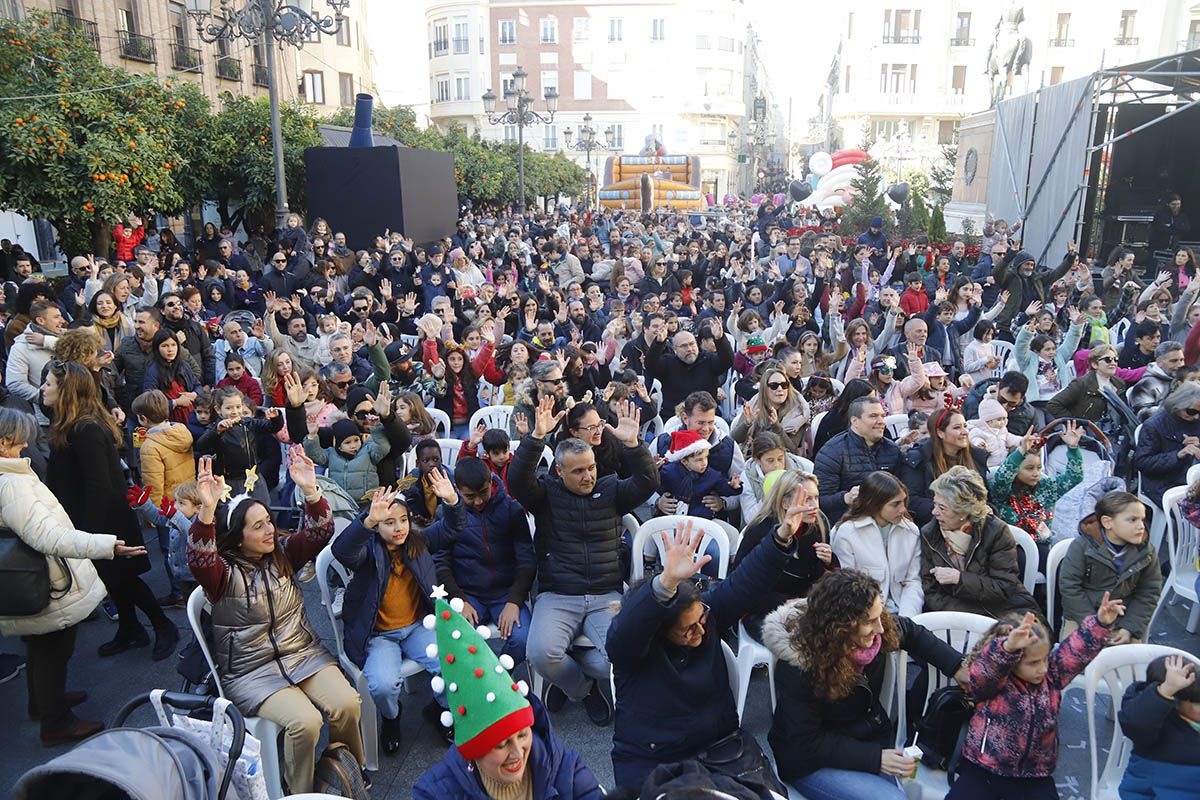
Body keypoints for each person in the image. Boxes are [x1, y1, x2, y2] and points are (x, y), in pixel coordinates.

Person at [187, 451, 364, 795]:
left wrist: (311, 491)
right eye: (258, 526)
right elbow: (199, 557)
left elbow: (320, 530)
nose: (269, 529)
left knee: (347, 703)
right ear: (237, 538)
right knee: (306, 722)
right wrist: (207, 510)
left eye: (268, 520)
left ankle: (347, 773)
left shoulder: (282, 554)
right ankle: (301, 791)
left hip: (302, 653)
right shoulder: (221, 573)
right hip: (251, 671)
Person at [606, 515, 801, 791]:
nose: (700, 631)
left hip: (721, 750)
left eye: (702, 620)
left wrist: (780, 538)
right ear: (659, 631)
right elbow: (623, 634)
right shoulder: (633, 649)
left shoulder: (707, 616)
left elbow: (745, 582)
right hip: (655, 761)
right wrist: (665, 583)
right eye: (687, 629)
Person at [0, 408, 146, 745]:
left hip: (32, 578)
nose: (25, 446)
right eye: (19, 439)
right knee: (53, 648)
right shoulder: (12, 484)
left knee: (40, 646)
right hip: (45, 580)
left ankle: (43, 703)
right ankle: (56, 722)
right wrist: (108, 546)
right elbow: (47, 536)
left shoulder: (12, 477)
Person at [508, 397, 657, 726]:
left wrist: (633, 446)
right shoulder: (545, 493)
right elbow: (517, 482)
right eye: (578, 471)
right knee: (540, 655)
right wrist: (534, 440)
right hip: (559, 594)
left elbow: (648, 483)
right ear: (559, 471)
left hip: (605, 595)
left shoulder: (611, 489)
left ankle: (570, 671)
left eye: (590, 467)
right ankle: (582, 689)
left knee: (618, 660)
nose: (588, 475)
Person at [764, 569, 969, 799]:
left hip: (864, 739)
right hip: (811, 762)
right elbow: (806, 744)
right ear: (840, 625)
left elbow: (911, 632)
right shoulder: (800, 666)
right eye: (870, 621)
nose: (880, 628)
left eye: (879, 616)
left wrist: (957, 666)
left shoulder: (872, 635)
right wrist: (876, 758)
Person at [43, 361, 176, 660]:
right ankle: (131, 629)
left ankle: (163, 625)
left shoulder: (86, 428)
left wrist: (91, 536)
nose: (43, 388)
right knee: (114, 579)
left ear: (66, 392)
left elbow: (98, 485)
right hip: (93, 521)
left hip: (103, 521)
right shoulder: (70, 423)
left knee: (125, 578)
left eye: (49, 384)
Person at [413, 599, 605, 800]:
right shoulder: (435, 793)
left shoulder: (563, 766)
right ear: (474, 752)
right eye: (501, 744)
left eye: (522, 735)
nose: (518, 754)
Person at [946, 595, 1128, 800]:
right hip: (985, 767)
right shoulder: (995, 682)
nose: (1042, 668)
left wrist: (1100, 623)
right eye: (1033, 663)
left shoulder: (1052, 676)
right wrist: (1007, 648)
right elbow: (983, 673)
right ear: (1013, 660)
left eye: (1044, 659)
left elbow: (1075, 651)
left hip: (1035, 773)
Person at [334, 479, 460, 755]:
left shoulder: (419, 541)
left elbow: (451, 529)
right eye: (389, 522)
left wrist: (451, 501)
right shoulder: (368, 552)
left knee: (451, 662)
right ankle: (392, 717)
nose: (399, 527)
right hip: (379, 635)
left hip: (417, 626)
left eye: (403, 520)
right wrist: (367, 522)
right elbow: (342, 551)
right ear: (377, 526)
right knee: (382, 685)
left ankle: (441, 710)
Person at [435, 456, 535, 665]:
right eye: (470, 496)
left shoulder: (511, 510)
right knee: (454, 640)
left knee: (522, 640)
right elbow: (441, 563)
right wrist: (458, 598)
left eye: (483, 493)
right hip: (468, 595)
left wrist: (514, 601)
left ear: (491, 482)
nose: (479, 501)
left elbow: (526, 559)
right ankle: (480, 686)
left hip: (505, 594)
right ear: (457, 489)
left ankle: (499, 684)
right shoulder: (445, 514)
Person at [919, 466, 1041, 618]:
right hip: (954, 614)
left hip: (1004, 610)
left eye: (942, 508)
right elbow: (931, 591)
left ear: (964, 512)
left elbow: (1004, 587)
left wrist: (960, 578)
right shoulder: (929, 534)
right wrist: (970, 619)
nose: (934, 512)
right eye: (935, 504)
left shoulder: (997, 531)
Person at [733, 469, 836, 640]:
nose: (815, 506)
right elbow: (739, 587)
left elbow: (814, 578)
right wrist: (785, 603)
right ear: (785, 503)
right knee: (810, 642)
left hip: (803, 607)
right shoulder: (760, 531)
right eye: (806, 499)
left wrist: (828, 561)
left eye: (816, 497)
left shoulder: (816, 527)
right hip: (761, 611)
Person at [1059, 488, 1161, 644]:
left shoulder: (1146, 551)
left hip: (1124, 619)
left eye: (1142, 519)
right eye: (1132, 520)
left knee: (1128, 664)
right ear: (1107, 522)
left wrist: (1129, 628)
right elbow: (1070, 587)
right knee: (1072, 660)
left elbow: (1149, 592)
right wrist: (1093, 623)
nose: (1141, 526)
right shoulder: (1082, 546)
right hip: (1083, 617)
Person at [990, 423, 1084, 572]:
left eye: (1039, 468)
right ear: (1015, 469)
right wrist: (1020, 451)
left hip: (1039, 545)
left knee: (1061, 569)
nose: (1036, 473)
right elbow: (1003, 477)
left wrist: (1073, 449)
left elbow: (1074, 477)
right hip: (1010, 546)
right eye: (1029, 468)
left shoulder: (1046, 486)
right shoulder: (1003, 490)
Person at [831, 471, 924, 618]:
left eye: (903, 502)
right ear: (874, 504)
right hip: (866, 616)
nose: (903, 509)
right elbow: (846, 588)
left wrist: (907, 619)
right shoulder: (847, 533)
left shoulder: (910, 531)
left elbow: (913, 581)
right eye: (895, 504)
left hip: (904, 614)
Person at [1116, 654, 1200, 800]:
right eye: (1198, 703)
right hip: (1152, 793)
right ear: (1174, 702)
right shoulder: (1157, 722)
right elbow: (1135, 724)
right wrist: (1166, 690)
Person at [813, 396, 902, 524]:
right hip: (848, 523)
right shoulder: (832, 452)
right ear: (855, 421)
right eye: (873, 416)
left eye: (883, 416)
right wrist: (845, 498)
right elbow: (820, 500)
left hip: (887, 521)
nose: (881, 421)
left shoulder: (892, 450)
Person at [901, 407, 989, 526]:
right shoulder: (919, 458)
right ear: (940, 433)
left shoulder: (976, 456)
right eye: (957, 427)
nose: (965, 432)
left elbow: (986, 496)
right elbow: (913, 500)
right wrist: (950, 512)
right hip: (935, 524)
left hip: (973, 522)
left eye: (965, 426)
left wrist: (986, 509)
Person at [1131, 383, 1200, 509]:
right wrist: (1178, 455)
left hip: (1192, 478)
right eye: (1192, 412)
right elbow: (1142, 462)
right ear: (1179, 405)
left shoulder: (1196, 419)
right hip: (1163, 482)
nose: (1196, 416)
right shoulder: (1154, 425)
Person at [646, 318, 734, 413]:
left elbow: (727, 361)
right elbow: (650, 365)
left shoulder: (708, 359)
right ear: (675, 350)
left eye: (692, 344)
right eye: (684, 346)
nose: (689, 349)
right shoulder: (668, 362)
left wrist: (720, 339)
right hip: (675, 416)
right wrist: (659, 344)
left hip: (707, 414)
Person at [656, 429, 741, 520]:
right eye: (699, 460)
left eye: (705, 457)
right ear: (684, 461)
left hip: (702, 518)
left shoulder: (711, 475)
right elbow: (657, 484)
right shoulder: (670, 471)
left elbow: (722, 486)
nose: (704, 463)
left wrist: (732, 486)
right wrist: (654, 471)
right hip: (673, 517)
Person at [731, 363, 811, 453]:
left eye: (784, 385)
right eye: (774, 386)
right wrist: (747, 424)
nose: (780, 389)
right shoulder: (754, 405)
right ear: (765, 389)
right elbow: (734, 439)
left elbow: (793, 449)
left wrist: (777, 427)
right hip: (753, 456)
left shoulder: (797, 410)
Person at [1045, 344, 1126, 423]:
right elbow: (1053, 405)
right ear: (1094, 364)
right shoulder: (1081, 383)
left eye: (1116, 359)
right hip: (1089, 433)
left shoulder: (1120, 384)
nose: (1113, 363)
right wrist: (1076, 425)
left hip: (1115, 432)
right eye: (1108, 359)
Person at [1129, 341, 1185, 421]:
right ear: (1159, 362)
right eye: (1173, 361)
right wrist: (1174, 407)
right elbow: (1141, 415)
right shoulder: (1146, 384)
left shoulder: (1186, 379)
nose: (1180, 365)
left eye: (1182, 360)